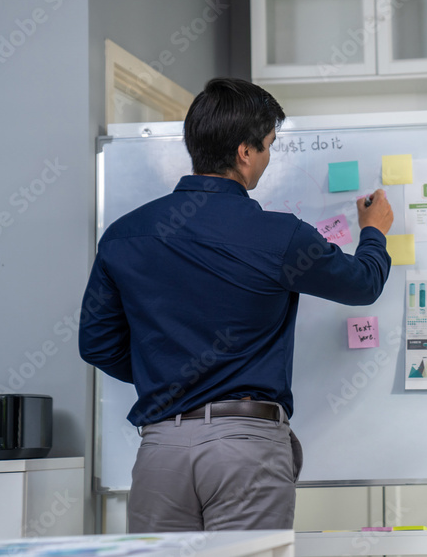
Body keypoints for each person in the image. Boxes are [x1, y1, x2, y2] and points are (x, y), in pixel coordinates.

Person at [78, 78, 393, 532]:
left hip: (161, 450)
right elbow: (363, 284)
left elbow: (97, 344)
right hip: (245, 448)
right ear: (244, 152)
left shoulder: (125, 235)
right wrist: (374, 232)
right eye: (267, 146)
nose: (267, 158)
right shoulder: (279, 236)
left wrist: (167, 371)